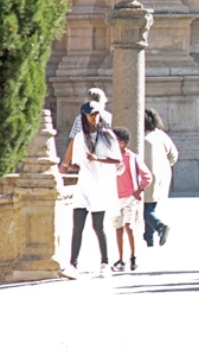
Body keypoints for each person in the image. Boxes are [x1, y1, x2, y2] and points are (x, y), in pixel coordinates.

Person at [60, 101, 122, 279]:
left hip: (99, 187)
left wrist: (98, 159)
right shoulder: (79, 138)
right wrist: (66, 167)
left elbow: (117, 160)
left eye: (97, 114)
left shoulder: (108, 136)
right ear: (84, 116)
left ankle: (105, 263)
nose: (95, 117)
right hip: (83, 186)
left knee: (98, 227)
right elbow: (78, 164)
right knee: (77, 227)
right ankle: (73, 264)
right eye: (91, 114)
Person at [110, 127, 151, 272]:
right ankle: (121, 259)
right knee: (118, 229)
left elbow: (147, 176)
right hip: (115, 198)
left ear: (123, 143)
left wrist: (138, 191)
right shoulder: (110, 158)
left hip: (129, 197)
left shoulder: (132, 158)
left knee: (129, 226)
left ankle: (133, 257)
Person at [143, 108, 178, 248]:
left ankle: (160, 227)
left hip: (148, 176)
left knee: (144, 210)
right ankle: (149, 238)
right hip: (163, 174)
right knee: (150, 206)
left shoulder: (144, 139)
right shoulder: (161, 135)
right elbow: (174, 155)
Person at [59, 88, 111, 175]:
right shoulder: (109, 118)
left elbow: (73, 142)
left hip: (86, 160)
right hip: (104, 160)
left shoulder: (80, 118)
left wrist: (65, 163)